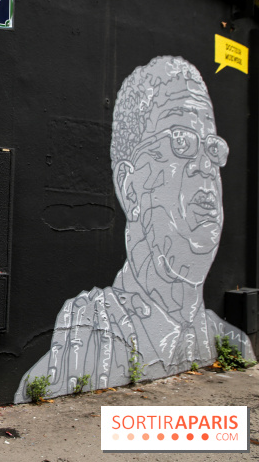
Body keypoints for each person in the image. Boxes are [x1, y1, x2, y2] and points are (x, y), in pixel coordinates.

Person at [15, 56, 255, 403]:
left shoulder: (233, 344)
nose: (205, 166)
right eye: (181, 141)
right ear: (130, 187)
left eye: (212, 148)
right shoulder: (72, 360)